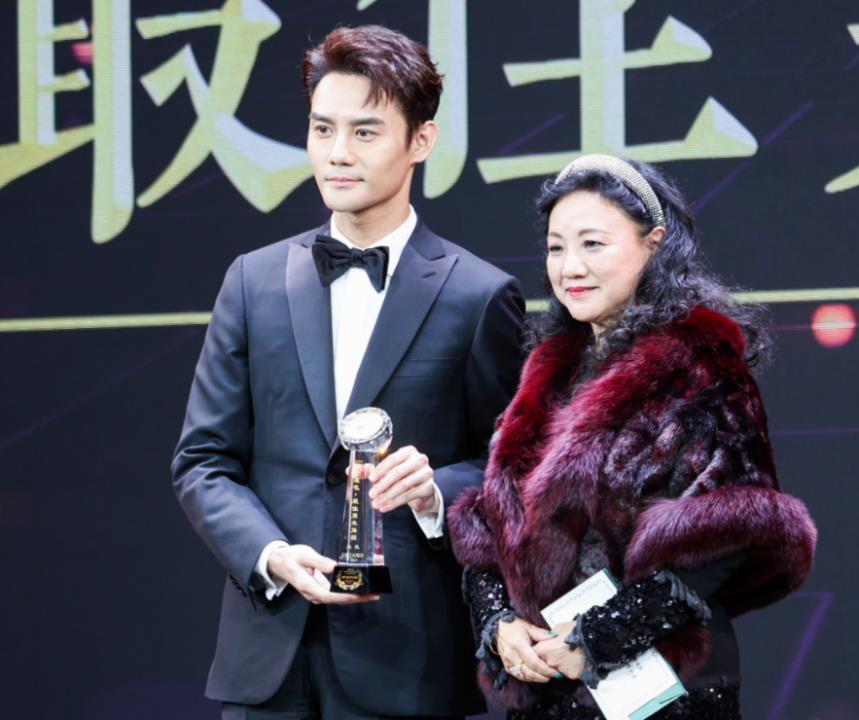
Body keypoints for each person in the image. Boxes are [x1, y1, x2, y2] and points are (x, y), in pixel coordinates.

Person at [171, 25, 525, 720]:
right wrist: (271, 554)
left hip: (407, 658)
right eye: (322, 128)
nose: (337, 153)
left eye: (365, 132)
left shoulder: (478, 295)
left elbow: (513, 468)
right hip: (267, 657)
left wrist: (434, 491)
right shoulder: (252, 282)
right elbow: (202, 461)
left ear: (421, 140)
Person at [447, 155, 817, 719]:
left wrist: (595, 638)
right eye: (555, 248)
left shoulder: (700, 366)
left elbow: (723, 535)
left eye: (593, 244)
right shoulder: (548, 371)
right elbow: (491, 528)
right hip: (548, 695)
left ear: (653, 244)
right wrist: (499, 624)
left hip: (666, 693)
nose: (570, 266)